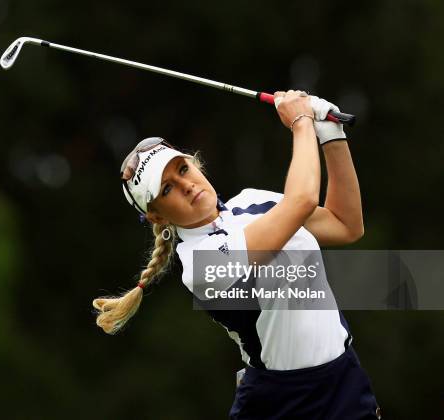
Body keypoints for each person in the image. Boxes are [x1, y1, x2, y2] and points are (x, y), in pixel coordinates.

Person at [92, 90, 381, 419]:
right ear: (158, 216)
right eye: (167, 188)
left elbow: (346, 225)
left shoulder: (252, 200)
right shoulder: (201, 263)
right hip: (282, 404)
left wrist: (331, 135)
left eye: (182, 169)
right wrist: (302, 123)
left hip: (343, 379)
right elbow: (300, 201)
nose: (185, 185)